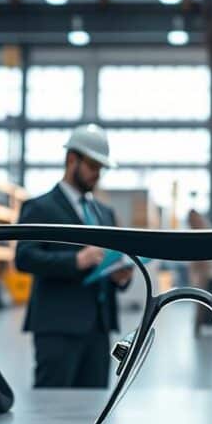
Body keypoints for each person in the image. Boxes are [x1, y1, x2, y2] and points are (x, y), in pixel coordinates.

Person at [13, 124, 132, 388]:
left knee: (93, 409)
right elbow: (25, 258)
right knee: (51, 406)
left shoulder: (104, 213)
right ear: (71, 160)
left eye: (101, 168)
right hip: (57, 326)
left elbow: (111, 259)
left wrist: (120, 276)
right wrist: (76, 261)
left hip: (99, 328)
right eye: (92, 166)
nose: (97, 174)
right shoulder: (40, 208)